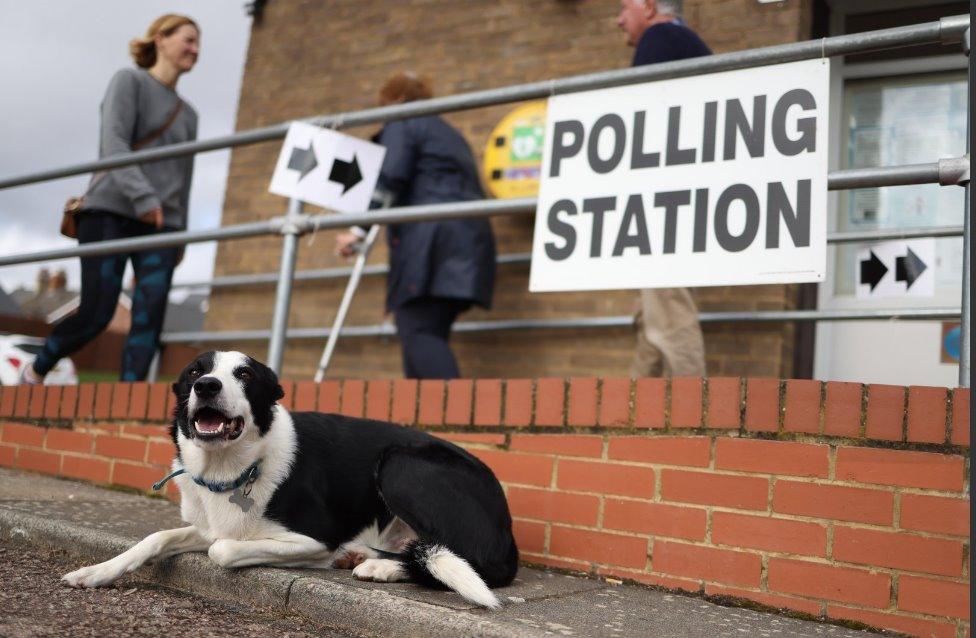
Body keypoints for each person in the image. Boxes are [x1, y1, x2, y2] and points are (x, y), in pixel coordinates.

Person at [23, 14, 200, 384]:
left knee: (149, 317)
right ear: (161, 39)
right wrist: (144, 197)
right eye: (188, 40)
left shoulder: (190, 115)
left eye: (198, 44)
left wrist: (179, 231)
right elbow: (113, 144)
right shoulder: (129, 80)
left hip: (160, 225)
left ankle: (128, 403)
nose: (195, 50)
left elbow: (184, 177)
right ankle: (37, 368)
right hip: (109, 211)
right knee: (98, 312)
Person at [336, 73, 496, 380]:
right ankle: (428, 422)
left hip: (430, 244)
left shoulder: (403, 121)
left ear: (395, 101)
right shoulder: (449, 133)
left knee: (417, 328)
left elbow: (391, 176)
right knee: (428, 330)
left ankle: (455, 418)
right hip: (465, 244)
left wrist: (358, 230)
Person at [616, 0, 708, 377]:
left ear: (649, 6)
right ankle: (639, 411)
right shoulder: (681, 41)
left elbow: (645, 124)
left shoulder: (660, 38)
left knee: (667, 308)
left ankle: (693, 412)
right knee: (654, 308)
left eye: (624, 7)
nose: (619, 20)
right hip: (680, 194)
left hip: (666, 196)